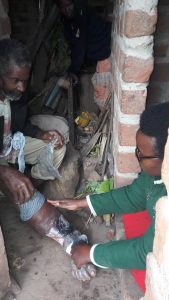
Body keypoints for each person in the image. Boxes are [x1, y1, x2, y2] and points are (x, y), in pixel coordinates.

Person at [0, 38, 96, 281]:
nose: (22, 88)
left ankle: (26, 185)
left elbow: (20, 125)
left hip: (10, 146)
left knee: (54, 146)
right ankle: (71, 241)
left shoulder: (16, 92)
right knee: (22, 192)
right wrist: (4, 172)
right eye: (15, 81)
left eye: (25, 79)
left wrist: (41, 134)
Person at [48, 102, 169, 271]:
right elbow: (133, 195)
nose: (138, 158)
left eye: (143, 155)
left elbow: (148, 252)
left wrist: (91, 253)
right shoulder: (155, 174)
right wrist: (84, 203)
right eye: (137, 151)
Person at [56, 0, 112, 76]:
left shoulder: (81, 12)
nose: (67, 10)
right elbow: (73, 43)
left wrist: (72, 71)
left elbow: (80, 46)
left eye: (69, 5)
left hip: (107, 45)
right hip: (99, 51)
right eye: (63, 7)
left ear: (74, 2)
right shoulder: (68, 23)